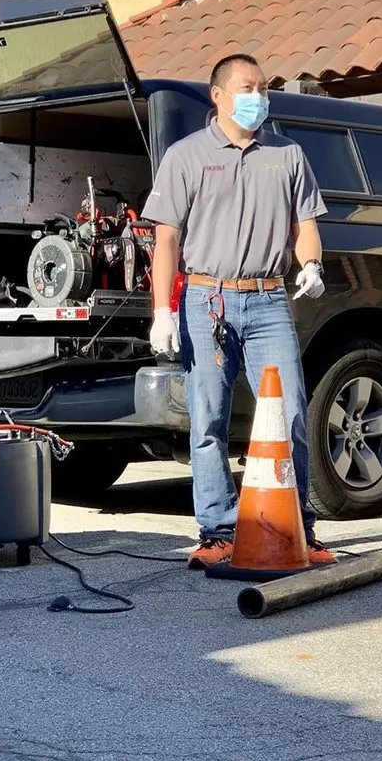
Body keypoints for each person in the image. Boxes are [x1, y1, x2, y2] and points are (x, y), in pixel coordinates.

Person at [140, 52, 337, 569]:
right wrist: (164, 311)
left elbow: (305, 224)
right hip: (207, 301)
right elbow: (166, 239)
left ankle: (299, 527)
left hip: (269, 299)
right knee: (208, 419)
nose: (259, 97)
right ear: (219, 95)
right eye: (248, 87)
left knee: (291, 412)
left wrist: (311, 264)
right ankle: (219, 531)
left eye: (264, 88)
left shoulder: (287, 154)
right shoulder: (186, 156)